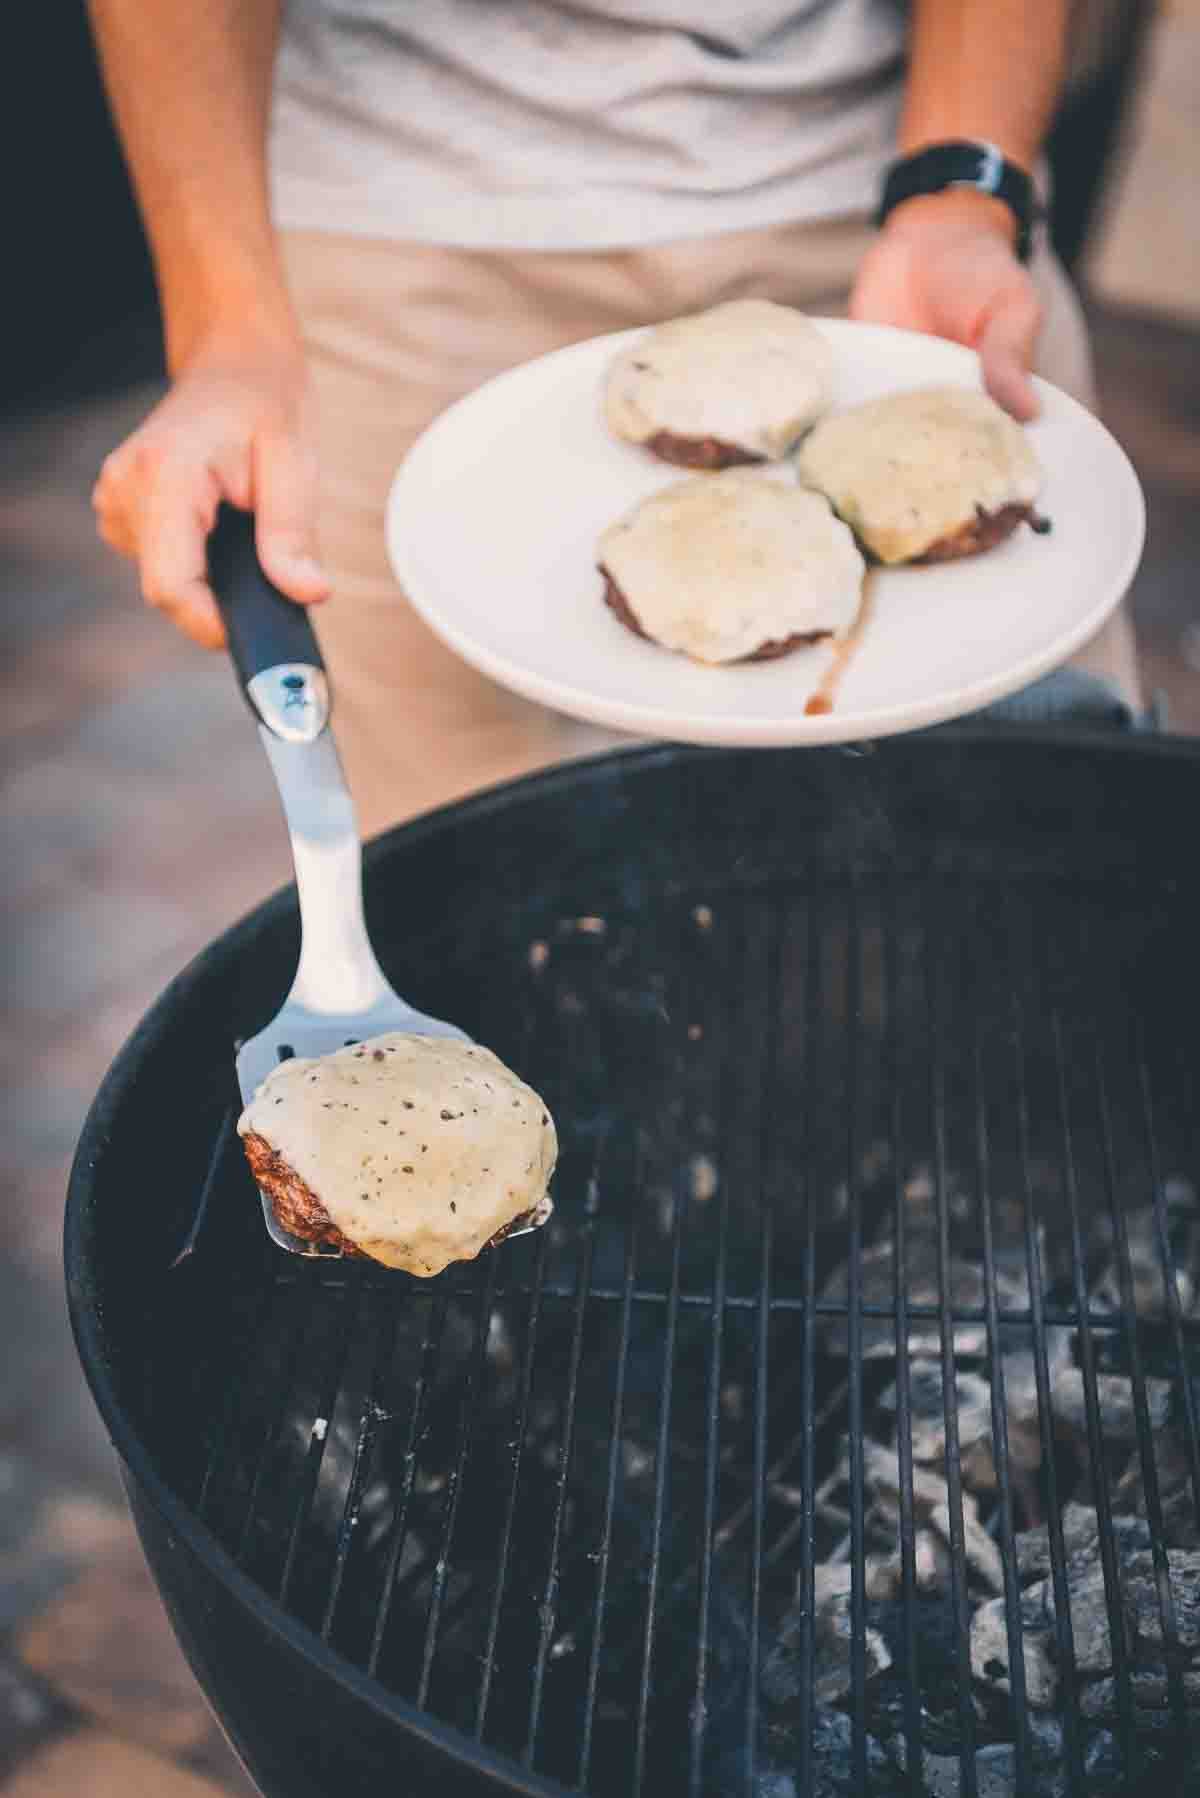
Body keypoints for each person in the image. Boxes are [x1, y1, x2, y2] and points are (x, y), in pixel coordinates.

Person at [88, 1, 1144, 839]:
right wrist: (228, 334)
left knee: (1063, 825)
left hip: (890, 187)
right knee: (460, 873)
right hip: (390, 230)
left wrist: (960, 189)